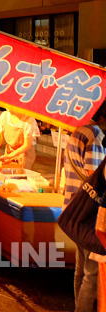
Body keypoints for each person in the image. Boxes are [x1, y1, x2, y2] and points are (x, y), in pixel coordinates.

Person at [64, 102, 106, 312]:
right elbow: (94, 175)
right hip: (88, 213)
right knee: (91, 273)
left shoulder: (79, 130)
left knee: (80, 268)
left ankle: (77, 306)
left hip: (73, 208)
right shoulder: (96, 136)